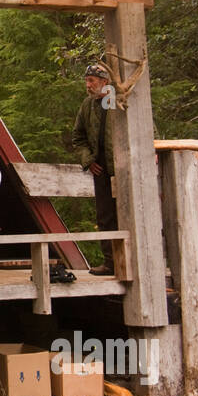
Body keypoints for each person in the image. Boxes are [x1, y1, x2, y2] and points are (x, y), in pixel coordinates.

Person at [70, 62, 117, 275]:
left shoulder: (120, 101)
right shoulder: (87, 105)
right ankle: (111, 263)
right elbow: (78, 137)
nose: (88, 85)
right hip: (102, 170)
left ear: (104, 82)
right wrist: (88, 160)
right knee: (105, 217)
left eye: (92, 81)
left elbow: (142, 126)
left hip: (124, 169)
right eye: (87, 81)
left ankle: (136, 260)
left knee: (131, 213)